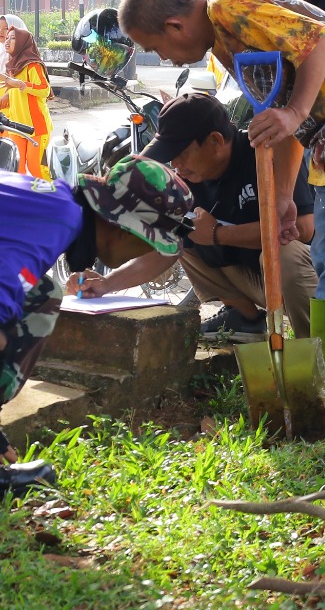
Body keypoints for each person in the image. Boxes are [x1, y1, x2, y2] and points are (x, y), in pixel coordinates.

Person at [118, 0, 325, 421]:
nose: (165, 59)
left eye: (157, 47)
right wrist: (280, 196)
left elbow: (318, 42)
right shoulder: (222, 41)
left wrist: (293, 113)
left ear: (175, 25)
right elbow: (281, 116)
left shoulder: (227, 7)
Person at [1, 157, 194, 494]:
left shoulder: (54, 206)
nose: (148, 251)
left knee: (41, 294)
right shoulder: (55, 221)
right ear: (123, 226)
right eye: (149, 241)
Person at [77, 93, 318, 339]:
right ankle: (244, 317)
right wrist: (106, 285)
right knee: (180, 237)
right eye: (170, 155)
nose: (176, 164)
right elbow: (162, 253)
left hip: (311, 281)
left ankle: (315, 341)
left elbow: (304, 228)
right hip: (259, 283)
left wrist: (218, 234)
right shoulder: (188, 181)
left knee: (285, 254)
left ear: (215, 141)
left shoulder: (266, 153)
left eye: (181, 153)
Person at [1, 26, 52, 177]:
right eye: (7, 37)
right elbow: (13, 93)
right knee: (16, 170)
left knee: (37, 168)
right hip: (16, 126)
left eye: (13, 38)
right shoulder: (11, 66)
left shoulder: (33, 65)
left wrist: (22, 85)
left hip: (37, 128)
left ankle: (49, 198)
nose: (7, 41)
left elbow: (45, 90)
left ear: (23, 42)